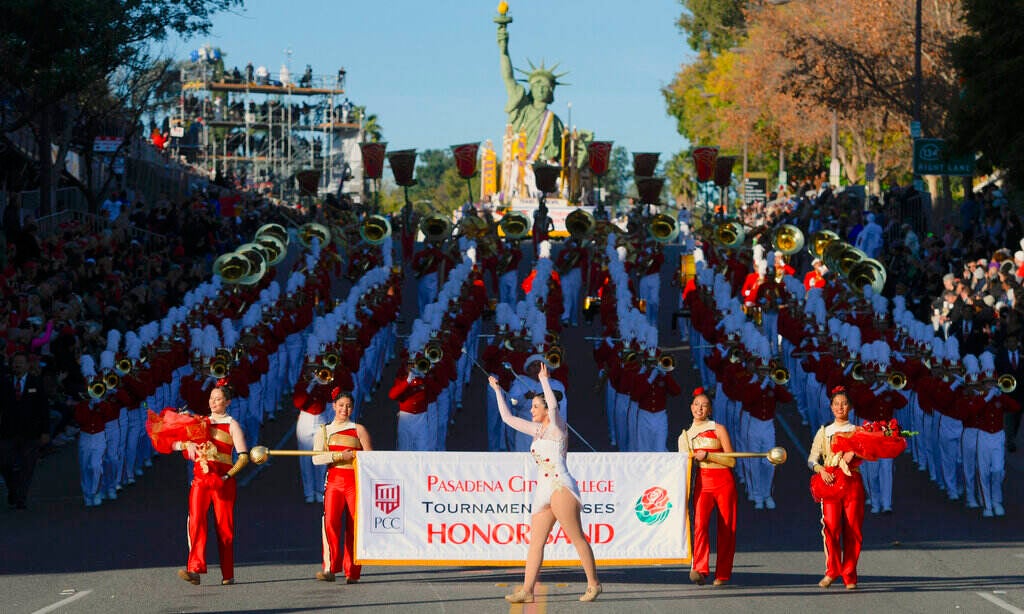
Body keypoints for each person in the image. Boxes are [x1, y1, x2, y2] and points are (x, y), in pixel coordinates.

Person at [488, 362, 601, 603]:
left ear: (547, 409)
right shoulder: (537, 430)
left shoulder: (558, 427)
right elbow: (507, 418)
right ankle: (527, 590)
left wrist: (544, 381)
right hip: (543, 490)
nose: (531, 410)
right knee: (535, 542)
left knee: (576, 536)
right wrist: (497, 390)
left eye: (536, 407)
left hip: (561, 486)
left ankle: (593, 583)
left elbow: (553, 405)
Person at [174, 385, 249, 586]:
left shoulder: (232, 425)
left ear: (228, 402)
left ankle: (227, 572)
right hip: (200, 480)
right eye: (211, 398)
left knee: (224, 527)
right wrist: (186, 445)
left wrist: (226, 477)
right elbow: (174, 444)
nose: (213, 402)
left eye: (218, 399)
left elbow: (243, 457)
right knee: (196, 521)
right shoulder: (201, 422)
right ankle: (195, 569)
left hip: (222, 482)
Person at [313, 390, 373, 583]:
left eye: (348, 406)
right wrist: (339, 456)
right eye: (341, 405)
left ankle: (353, 572)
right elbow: (316, 458)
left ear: (352, 408)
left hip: (355, 481)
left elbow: (371, 458)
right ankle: (330, 567)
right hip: (334, 481)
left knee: (355, 526)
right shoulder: (324, 430)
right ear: (334, 406)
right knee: (330, 522)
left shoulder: (359, 429)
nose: (344, 409)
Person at [807, 387, 864, 590]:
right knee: (830, 527)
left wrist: (854, 453)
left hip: (851, 483)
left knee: (853, 529)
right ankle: (832, 571)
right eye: (836, 404)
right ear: (831, 407)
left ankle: (850, 574)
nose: (840, 407)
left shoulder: (858, 431)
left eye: (844, 403)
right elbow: (812, 458)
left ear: (850, 407)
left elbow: (868, 453)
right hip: (830, 482)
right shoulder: (824, 431)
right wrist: (821, 470)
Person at [679, 389, 737, 586]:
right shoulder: (685, 437)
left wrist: (709, 456)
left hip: (723, 481)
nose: (699, 408)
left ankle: (723, 573)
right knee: (700, 525)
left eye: (704, 405)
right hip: (702, 483)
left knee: (727, 528)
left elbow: (731, 461)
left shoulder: (719, 429)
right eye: (696, 405)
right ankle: (700, 568)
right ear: (691, 408)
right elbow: (684, 466)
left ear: (709, 409)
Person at [0, 352, 50, 510]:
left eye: (21, 363)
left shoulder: (36, 382)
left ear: (27, 365)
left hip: (31, 433)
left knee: (27, 466)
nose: (17, 366)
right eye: (15, 363)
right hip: (8, 432)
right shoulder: (5, 383)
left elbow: (44, 408)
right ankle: (13, 490)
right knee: (5, 463)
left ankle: (21, 497)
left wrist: (45, 432)